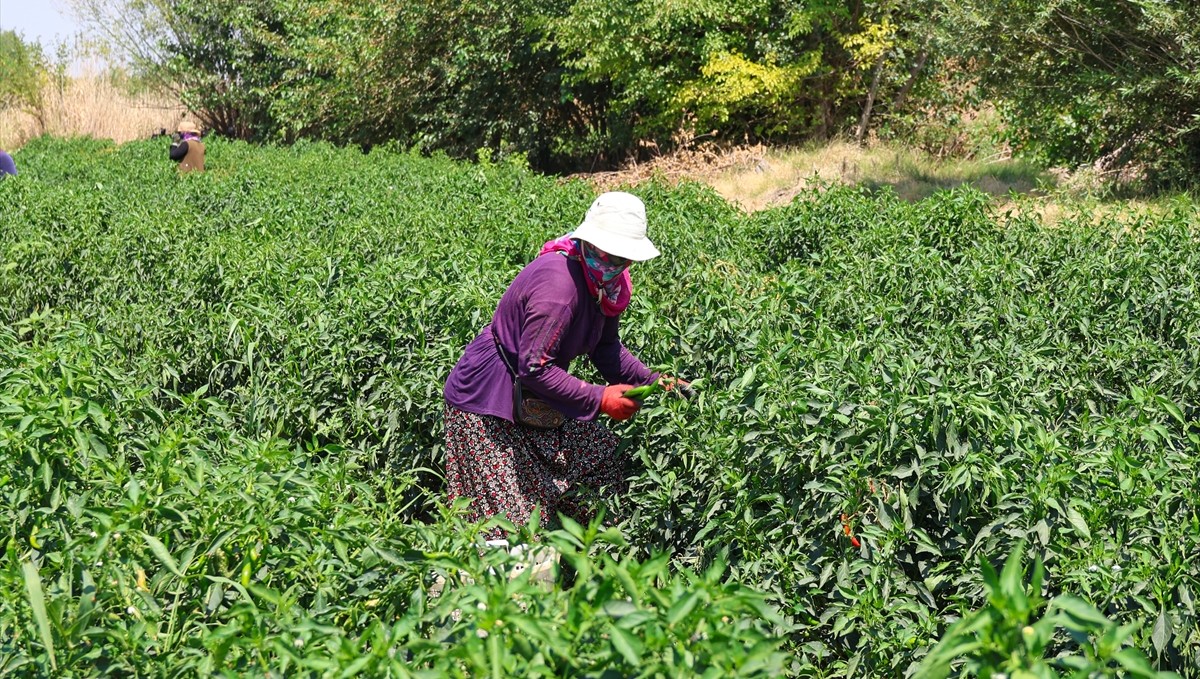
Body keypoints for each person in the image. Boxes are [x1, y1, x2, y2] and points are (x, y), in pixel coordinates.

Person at [443, 191, 686, 540]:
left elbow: (606, 349)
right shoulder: (559, 286)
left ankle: (595, 562)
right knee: (511, 533)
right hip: (486, 406)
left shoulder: (605, 286)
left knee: (606, 465)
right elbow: (535, 367)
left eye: (623, 258)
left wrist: (657, 381)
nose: (614, 263)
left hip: (534, 399)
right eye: (607, 253)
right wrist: (601, 398)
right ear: (587, 242)